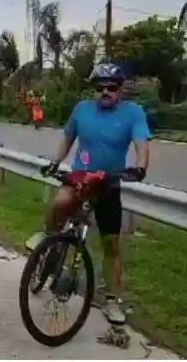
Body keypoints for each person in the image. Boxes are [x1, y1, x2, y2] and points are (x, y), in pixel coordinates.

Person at [39, 62, 150, 325]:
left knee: (111, 244)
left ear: (121, 90)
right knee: (60, 203)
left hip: (109, 183)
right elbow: (68, 137)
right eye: (100, 87)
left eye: (112, 87)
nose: (106, 92)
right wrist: (56, 161)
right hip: (80, 177)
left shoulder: (133, 113)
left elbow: (142, 143)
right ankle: (51, 243)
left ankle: (112, 300)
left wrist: (141, 167)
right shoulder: (82, 109)